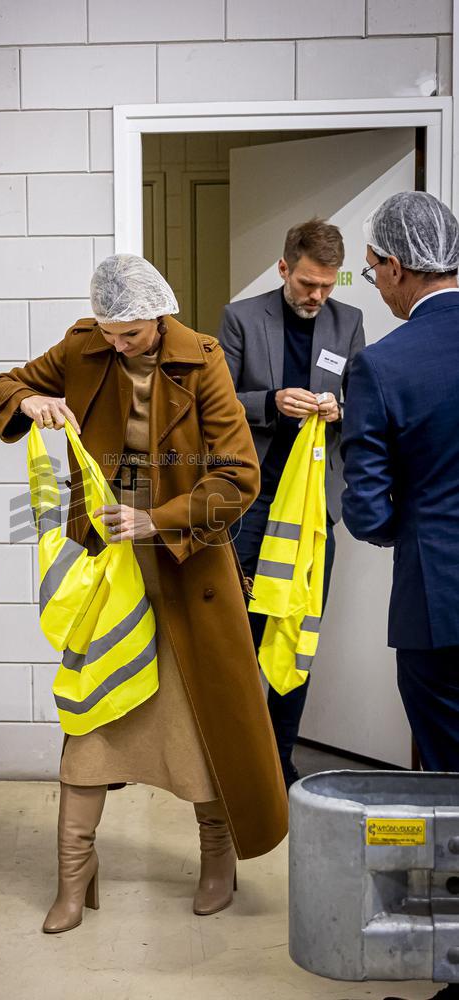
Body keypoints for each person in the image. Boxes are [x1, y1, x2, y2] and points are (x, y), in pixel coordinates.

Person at [0, 254, 288, 935]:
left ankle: (218, 862)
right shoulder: (82, 343)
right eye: (109, 332)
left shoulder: (202, 359)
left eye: (130, 334)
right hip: (106, 573)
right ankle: (72, 876)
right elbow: (2, 385)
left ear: (158, 315)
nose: (115, 345)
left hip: (188, 575)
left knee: (201, 729)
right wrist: (27, 401)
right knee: (90, 724)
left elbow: (240, 476)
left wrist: (157, 518)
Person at [341, 191, 459, 1000]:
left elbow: (372, 515)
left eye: (372, 271)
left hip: (441, 610)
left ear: (394, 267)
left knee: (453, 791)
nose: (374, 288)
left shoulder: (382, 366)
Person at [219, 220, 366, 787]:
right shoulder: (240, 318)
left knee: (296, 633)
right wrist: (270, 402)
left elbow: (364, 406)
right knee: (244, 633)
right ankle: (237, 756)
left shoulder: (348, 322)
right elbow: (217, 405)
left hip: (312, 510)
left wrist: (341, 412)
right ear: (284, 268)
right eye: (307, 283)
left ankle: (279, 760)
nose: (317, 296)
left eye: (327, 286)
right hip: (251, 504)